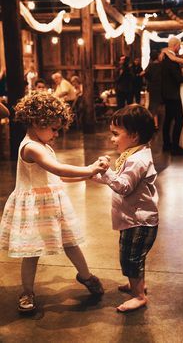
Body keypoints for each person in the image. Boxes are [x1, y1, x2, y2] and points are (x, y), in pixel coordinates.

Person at [0, 92, 108, 313]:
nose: (57, 134)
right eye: (54, 129)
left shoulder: (44, 144)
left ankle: (86, 276)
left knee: (70, 242)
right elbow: (57, 168)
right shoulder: (30, 147)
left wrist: (87, 176)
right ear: (36, 122)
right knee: (31, 252)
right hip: (34, 209)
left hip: (52, 205)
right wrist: (89, 168)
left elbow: (60, 177)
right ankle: (27, 292)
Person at [94, 104, 158, 313]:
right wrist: (98, 175)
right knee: (133, 255)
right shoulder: (133, 153)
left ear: (133, 135)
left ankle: (139, 296)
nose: (111, 139)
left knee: (131, 257)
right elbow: (120, 180)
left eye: (115, 134)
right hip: (131, 219)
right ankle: (137, 283)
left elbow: (123, 186)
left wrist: (106, 171)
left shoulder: (137, 160)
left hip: (139, 221)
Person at [161, 36, 183, 155]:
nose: (180, 48)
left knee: (168, 120)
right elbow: (178, 78)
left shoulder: (166, 58)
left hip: (167, 94)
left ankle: (166, 144)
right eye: (179, 46)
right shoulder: (171, 60)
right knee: (179, 120)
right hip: (173, 95)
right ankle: (175, 147)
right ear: (175, 45)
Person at [143, 50, 164, 130]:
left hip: (151, 87)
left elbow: (144, 73)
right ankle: (156, 124)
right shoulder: (161, 65)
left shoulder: (150, 66)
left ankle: (153, 124)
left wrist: (149, 79)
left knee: (151, 105)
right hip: (159, 88)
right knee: (157, 105)